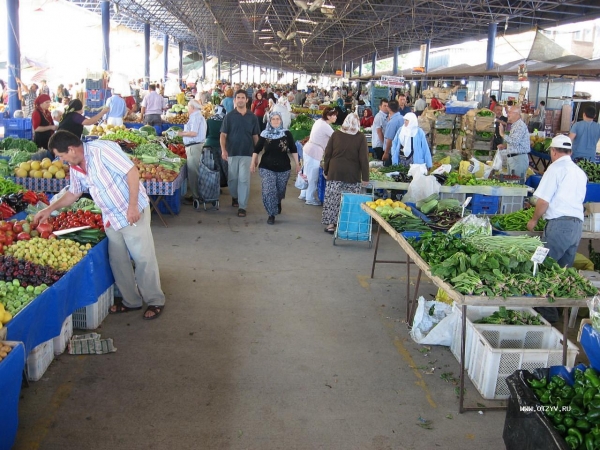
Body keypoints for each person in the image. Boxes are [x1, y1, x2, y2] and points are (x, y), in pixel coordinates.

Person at [34, 131, 166, 320]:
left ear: (71, 149)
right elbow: (74, 193)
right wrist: (49, 209)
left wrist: (132, 206)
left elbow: (132, 172)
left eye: (62, 156)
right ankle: (131, 301)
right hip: (111, 217)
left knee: (143, 258)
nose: (62, 160)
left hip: (130, 213)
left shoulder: (102, 150)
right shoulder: (76, 167)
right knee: (118, 261)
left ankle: (155, 300)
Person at [527, 135, 586, 323]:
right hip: (576, 226)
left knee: (543, 267)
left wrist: (534, 220)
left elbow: (543, 200)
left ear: (553, 151)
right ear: (570, 152)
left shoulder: (555, 168)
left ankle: (546, 316)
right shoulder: (579, 172)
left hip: (560, 225)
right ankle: (557, 313)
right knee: (562, 271)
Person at [321, 113, 369, 234]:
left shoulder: (336, 134)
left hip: (335, 171)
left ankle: (331, 225)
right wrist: (366, 177)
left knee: (333, 199)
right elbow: (364, 158)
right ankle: (345, 224)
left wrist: (326, 170)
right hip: (352, 174)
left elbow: (328, 154)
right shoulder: (360, 137)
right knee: (349, 199)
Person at [251, 112, 300, 225]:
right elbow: (257, 149)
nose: (276, 121)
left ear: (281, 120)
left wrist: (297, 164)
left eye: (278, 119)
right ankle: (271, 214)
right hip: (266, 167)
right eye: (273, 119)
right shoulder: (264, 133)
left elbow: (293, 149)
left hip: (284, 167)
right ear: (269, 120)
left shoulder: (287, 133)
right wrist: (252, 163)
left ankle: (277, 202)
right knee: (269, 190)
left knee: (279, 191)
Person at [220, 90, 260, 217]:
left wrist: (256, 154)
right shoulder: (229, 116)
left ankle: (242, 206)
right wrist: (223, 150)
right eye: (238, 97)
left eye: (243, 97)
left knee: (244, 180)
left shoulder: (252, 117)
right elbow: (223, 135)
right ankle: (235, 196)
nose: (241, 99)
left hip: (247, 153)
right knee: (233, 179)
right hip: (232, 152)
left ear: (247, 100)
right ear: (235, 100)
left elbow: (255, 137)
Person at [299, 107, 338, 206]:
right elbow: (336, 138)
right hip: (314, 152)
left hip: (308, 149)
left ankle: (303, 194)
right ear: (328, 116)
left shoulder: (319, 121)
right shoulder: (325, 126)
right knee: (313, 176)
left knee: (307, 174)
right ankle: (310, 198)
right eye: (334, 115)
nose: (336, 117)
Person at [176, 100, 207, 208]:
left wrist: (180, 134)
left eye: (188, 107)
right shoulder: (199, 116)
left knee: (193, 173)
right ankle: (196, 194)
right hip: (196, 146)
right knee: (194, 172)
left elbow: (193, 133)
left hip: (194, 146)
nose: (187, 109)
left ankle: (196, 196)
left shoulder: (195, 117)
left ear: (192, 107)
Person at [497, 105, 530, 179]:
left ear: (517, 114)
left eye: (510, 112)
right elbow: (516, 142)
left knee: (516, 184)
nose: (508, 114)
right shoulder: (515, 125)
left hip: (518, 159)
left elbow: (514, 141)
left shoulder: (520, 126)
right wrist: (505, 146)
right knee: (511, 183)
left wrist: (502, 134)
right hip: (514, 159)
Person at [203, 105, 228, 189]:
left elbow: (206, 134)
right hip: (222, 146)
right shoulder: (225, 120)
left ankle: (216, 186)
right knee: (225, 166)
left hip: (209, 145)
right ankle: (226, 183)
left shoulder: (209, 120)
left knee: (214, 167)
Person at [382, 100, 404, 166]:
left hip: (391, 152)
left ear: (388, 108)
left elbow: (389, 139)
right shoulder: (403, 118)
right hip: (401, 151)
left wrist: (386, 153)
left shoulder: (392, 122)